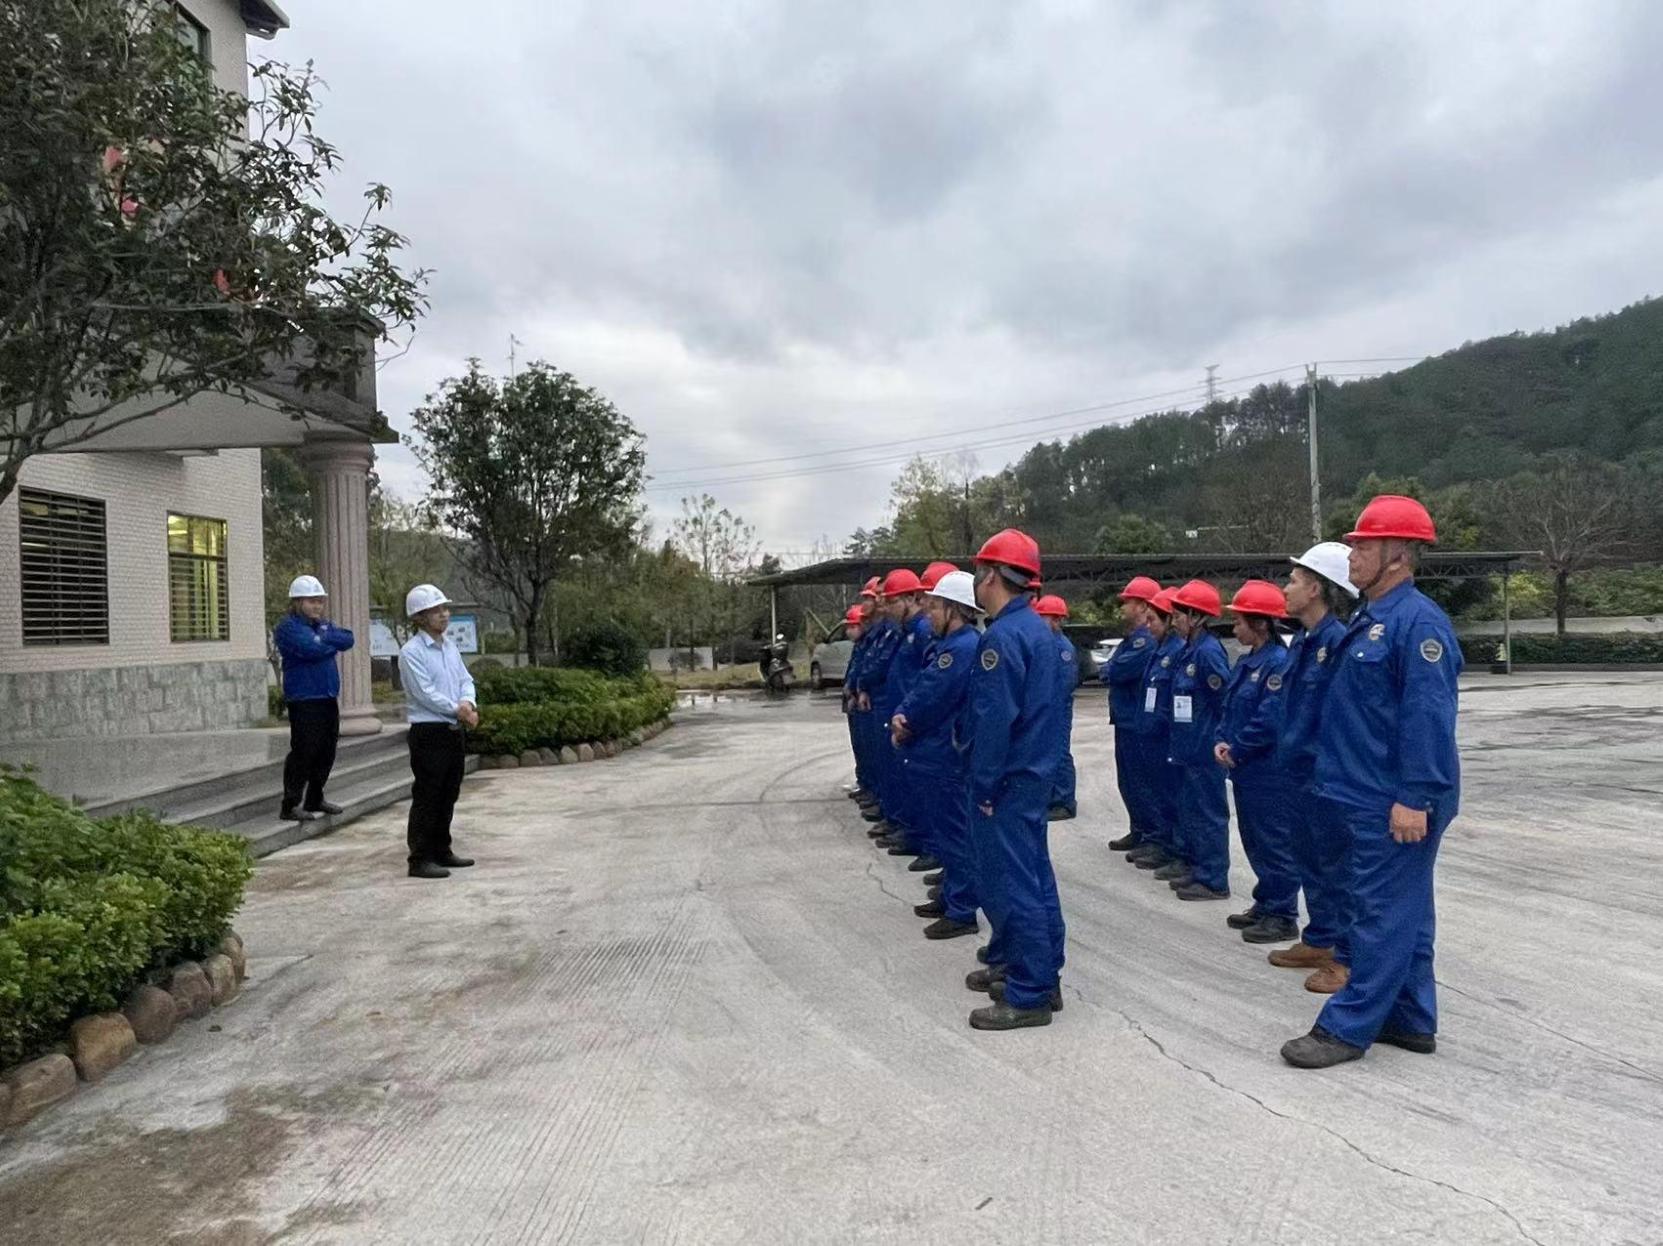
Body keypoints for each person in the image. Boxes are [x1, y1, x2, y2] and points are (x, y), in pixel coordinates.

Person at [1282, 496, 1462, 1069]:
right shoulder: (1371, 618)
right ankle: (1410, 1019)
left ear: (1399, 554)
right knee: (1405, 911)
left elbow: (1428, 718)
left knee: (1378, 914)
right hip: (1366, 792)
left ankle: (1346, 1027)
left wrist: (1415, 797)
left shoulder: (1418, 623)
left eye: (1363, 545)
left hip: (1396, 798)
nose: (1352, 554)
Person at [961, 529, 1065, 1031]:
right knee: (1035, 879)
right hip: (1033, 774)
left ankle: (1030, 993)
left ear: (990, 576)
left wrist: (984, 786)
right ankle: (1044, 974)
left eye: (978, 572)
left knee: (1015, 884)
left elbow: (994, 721)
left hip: (1009, 779)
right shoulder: (1036, 631)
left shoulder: (1002, 638)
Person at [1265, 543, 1360, 991]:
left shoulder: (1337, 642)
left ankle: (1347, 958)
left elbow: (1340, 716)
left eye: (1294, 581)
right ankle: (1320, 938)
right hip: (1296, 771)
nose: (1286, 589)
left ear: (1317, 589)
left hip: (1324, 774)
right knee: (1309, 859)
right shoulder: (1303, 641)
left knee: (1338, 867)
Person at [890, 569, 984, 939]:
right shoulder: (953, 645)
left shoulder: (961, 649)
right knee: (946, 833)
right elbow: (924, 685)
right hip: (936, 751)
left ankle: (962, 910)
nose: (929, 614)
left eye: (935, 607)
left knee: (954, 834)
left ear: (954, 609)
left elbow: (933, 696)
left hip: (946, 753)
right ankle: (950, 896)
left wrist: (906, 720)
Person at [1213, 580, 1298, 944]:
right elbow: (1230, 708)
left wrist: (1238, 748)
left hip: (1267, 769)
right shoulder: (1248, 661)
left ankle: (1282, 913)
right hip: (1246, 768)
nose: (1234, 628)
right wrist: (1221, 739)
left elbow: (1269, 718)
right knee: (1254, 839)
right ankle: (1266, 902)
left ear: (1261, 623)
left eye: (1239, 621)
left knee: (1273, 841)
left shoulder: (1278, 663)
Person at [399, 584, 479, 880]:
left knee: (449, 793)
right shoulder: (412, 652)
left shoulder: (449, 647)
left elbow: (465, 679)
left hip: (452, 729)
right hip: (428, 731)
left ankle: (442, 849)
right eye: (436, 611)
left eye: (445, 609)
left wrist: (467, 702)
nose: (444, 614)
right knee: (428, 795)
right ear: (419, 617)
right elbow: (424, 693)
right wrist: (458, 709)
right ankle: (420, 858)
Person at [1159, 580, 1231, 901]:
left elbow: (1223, 702)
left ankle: (1214, 879)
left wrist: (1219, 739)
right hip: (1187, 749)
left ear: (1196, 617)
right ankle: (1199, 867)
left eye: (1179, 615)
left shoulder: (1208, 653)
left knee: (1208, 815)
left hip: (1203, 750)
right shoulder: (1190, 650)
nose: (1174, 621)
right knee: (1191, 812)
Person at [272, 575, 356, 822]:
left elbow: (348, 639)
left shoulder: (323, 625)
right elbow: (309, 649)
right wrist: (327, 642)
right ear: (298, 602)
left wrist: (323, 639)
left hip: (327, 694)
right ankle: (290, 804)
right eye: (312, 601)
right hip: (304, 697)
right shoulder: (288, 627)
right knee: (304, 751)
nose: (317, 606)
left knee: (326, 751)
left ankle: (315, 798)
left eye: (320, 601)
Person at [871, 569, 934, 861]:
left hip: (915, 718)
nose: (888, 608)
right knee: (902, 776)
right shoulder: (905, 630)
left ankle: (921, 838)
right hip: (899, 712)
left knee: (917, 783)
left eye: (893, 601)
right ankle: (908, 829)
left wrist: (912, 714)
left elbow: (928, 679)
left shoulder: (922, 630)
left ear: (911, 598)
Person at [1125, 589, 1185, 873]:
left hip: (1164, 736)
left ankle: (1169, 846)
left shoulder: (1175, 651)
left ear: (1168, 621)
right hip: (1150, 733)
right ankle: (1159, 841)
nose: (1148, 627)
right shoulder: (1160, 649)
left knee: (1170, 796)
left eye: (1153, 621)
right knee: (1154, 792)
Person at [1102, 577, 1161, 853]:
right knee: (1128, 781)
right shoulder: (1131, 639)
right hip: (1125, 718)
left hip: (1137, 720)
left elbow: (1115, 671)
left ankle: (1152, 835)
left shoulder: (1145, 642)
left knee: (1142, 781)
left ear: (1143, 606)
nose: (1123, 608)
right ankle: (1139, 829)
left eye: (1128, 602)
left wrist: (1111, 669)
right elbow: (1109, 668)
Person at [1034, 594, 1078, 821]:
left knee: (1060, 753)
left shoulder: (1062, 648)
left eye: (1042, 617)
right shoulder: (1046, 644)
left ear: (1055, 620)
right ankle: (1053, 797)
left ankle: (1065, 801)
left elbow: (1065, 682)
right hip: (1047, 707)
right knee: (1049, 752)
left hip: (1057, 707)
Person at [840, 603, 868, 801]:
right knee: (859, 744)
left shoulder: (867, 644)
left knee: (865, 745)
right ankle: (862, 779)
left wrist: (856, 691)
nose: (850, 631)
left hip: (860, 699)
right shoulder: (860, 646)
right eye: (848, 627)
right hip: (853, 696)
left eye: (854, 626)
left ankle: (865, 782)